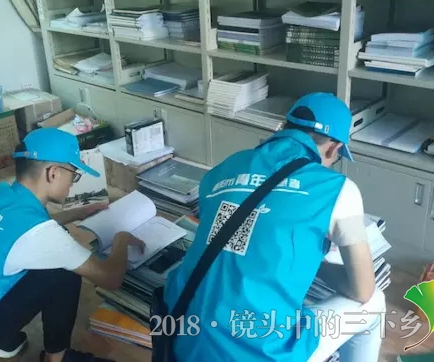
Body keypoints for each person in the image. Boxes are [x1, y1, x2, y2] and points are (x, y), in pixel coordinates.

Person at [163, 92, 386, 362]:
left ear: (284, 126)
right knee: (374, 301)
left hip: (183, 339)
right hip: (261, 353)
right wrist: (317, 265)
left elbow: (236, 237)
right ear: (333, 149)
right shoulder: (337, 189)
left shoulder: (223, 168)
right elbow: (362, 289)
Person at [0, 128, 145, 362]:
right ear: (53, 173)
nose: (72, 184)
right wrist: (121, 239)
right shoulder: (41, 235)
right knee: (63, 272)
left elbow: (19, 229)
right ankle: (56, 358)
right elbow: (111, 279)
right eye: (73, 175)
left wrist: (78, 213)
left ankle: (5, 340)